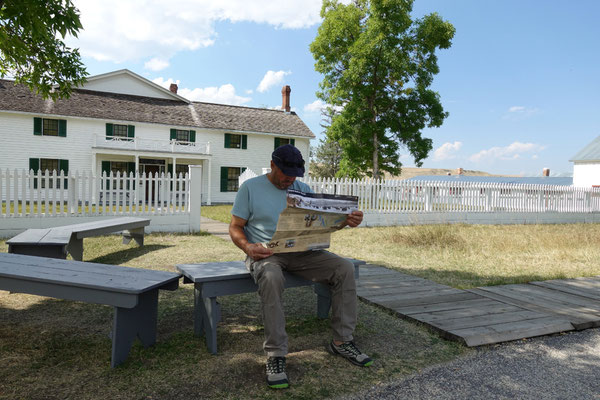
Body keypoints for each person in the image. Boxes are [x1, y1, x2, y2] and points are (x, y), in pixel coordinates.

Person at [229, 144, 372, 389]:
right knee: (272, 276)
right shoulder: (250, 188)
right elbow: (235, 227)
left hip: (303, 253)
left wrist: (345, 222)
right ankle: (275, 354)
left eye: (294, 175)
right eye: (285, 173)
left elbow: (320, 226)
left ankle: (341, 342)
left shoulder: (302, 189)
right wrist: (248, 247)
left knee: (344, 268)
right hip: (267, 254)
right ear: (272, 165)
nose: (290, 179)